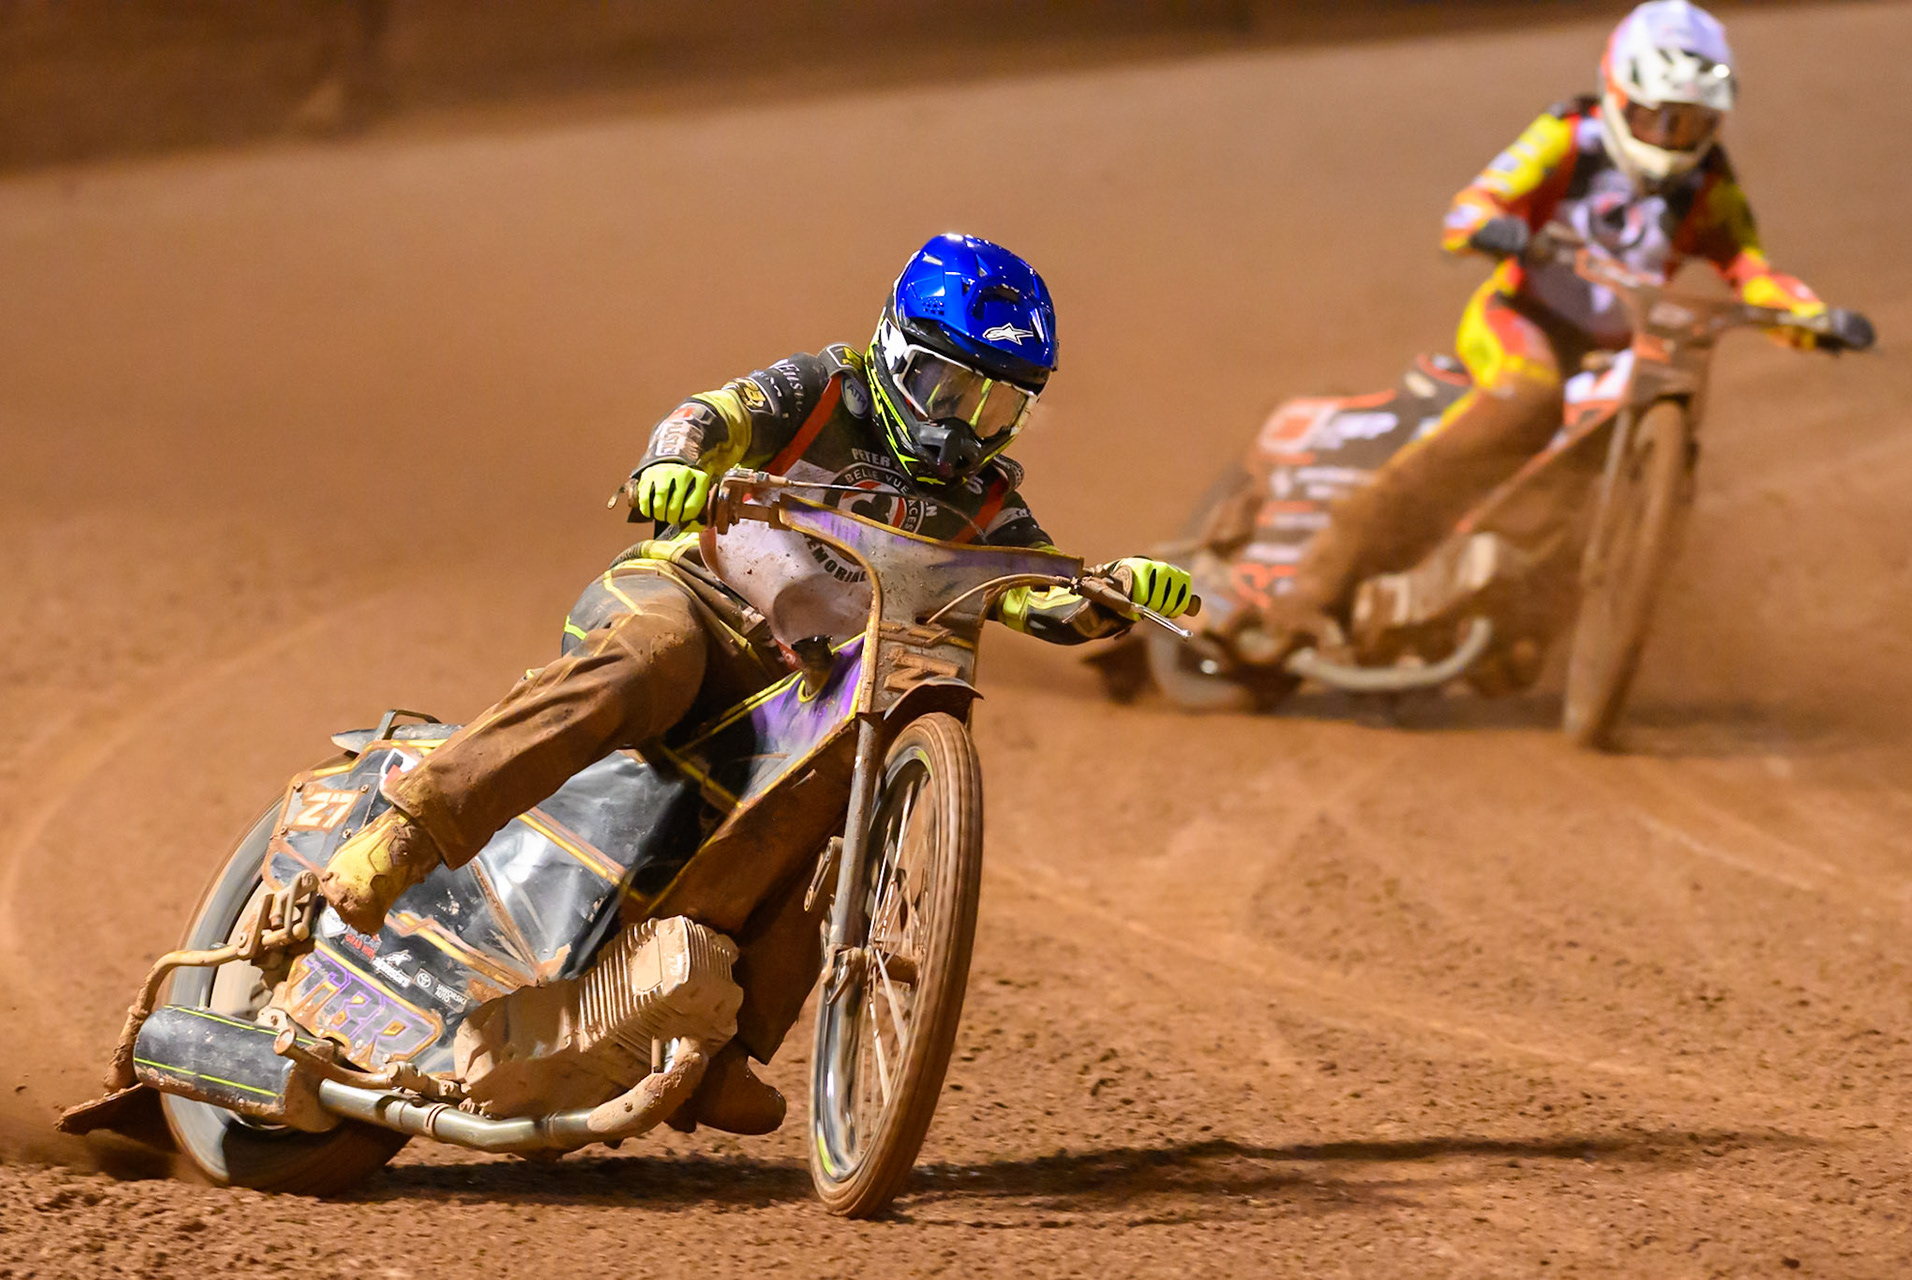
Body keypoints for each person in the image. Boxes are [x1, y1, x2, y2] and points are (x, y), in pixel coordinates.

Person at [314, 232, 1193, 1131]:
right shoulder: (821, 391)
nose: (965, 422)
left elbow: (1036, 592)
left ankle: (718, 1046)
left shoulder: (987, 502)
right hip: (694, 596)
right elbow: (706, 418)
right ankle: (410, 832)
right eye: (949, 388)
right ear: (897, 352)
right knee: (653, 658)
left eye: (998, 403)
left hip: (804, 679)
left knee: (844, 800)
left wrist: (1117, 595)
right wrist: (671, 467)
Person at [1266, 0, 1872, 645]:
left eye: (1691, 124)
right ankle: (1314, 585)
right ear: (1618, 95)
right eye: (1656, 117)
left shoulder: (1711, 189)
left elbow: (1751, 270)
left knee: (1654, 452)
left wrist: (1809, 319)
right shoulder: (1568, 137)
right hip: (1522, 319)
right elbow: (1477, 203)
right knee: (1527, 397)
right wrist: (1490, 227)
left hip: (1612, 352)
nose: (1670, 138)